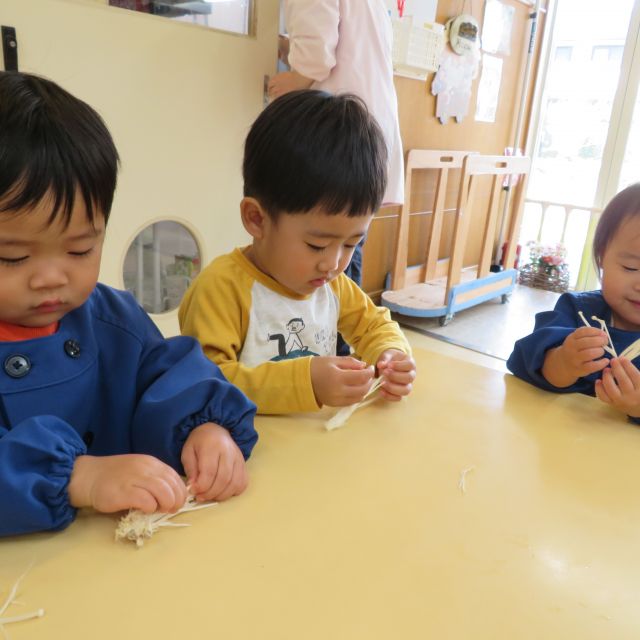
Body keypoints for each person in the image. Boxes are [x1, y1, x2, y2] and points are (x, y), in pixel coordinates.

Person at [0, 71, 258, 537]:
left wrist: (204, 429)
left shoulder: (111, 318)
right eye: (12, 257)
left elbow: (170, 376)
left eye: (80, 249)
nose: (51, 277)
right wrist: (79, 477)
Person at [179, 90, 416, 415]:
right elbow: (205, 382)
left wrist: (390, 354)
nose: (333, 263)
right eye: (316, 245)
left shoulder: (332, 285)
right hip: (245, 454)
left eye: (351, 244)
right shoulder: (221, 289)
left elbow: (374, 324)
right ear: (257, 219)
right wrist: (306, 383)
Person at [268, 0, 404, 298]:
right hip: (366, 129)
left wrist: (295, 80)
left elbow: (316, 54)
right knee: (347, 244)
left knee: (329, 247)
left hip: (340, 132)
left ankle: (337, 336)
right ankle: (346, 335)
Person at [507, 183, 640, 422]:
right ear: (601, 258)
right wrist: (563, 363)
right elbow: (528, 363)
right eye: (631, 267)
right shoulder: (578, 311)